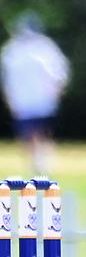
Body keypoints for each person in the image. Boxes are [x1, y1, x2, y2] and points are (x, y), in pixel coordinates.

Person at [1, 11, 70, 176]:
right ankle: (35, 165)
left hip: (44, 101)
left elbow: (59, 70)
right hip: (23, 101)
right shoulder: (11, 50)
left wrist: (58, 88)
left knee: (43, 133)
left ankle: (44, 164)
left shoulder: (46, 47)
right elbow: (7, 78)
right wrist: (9, 97)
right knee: (27, 134)